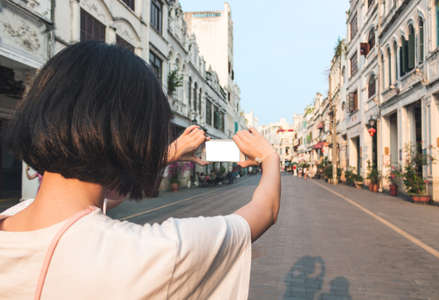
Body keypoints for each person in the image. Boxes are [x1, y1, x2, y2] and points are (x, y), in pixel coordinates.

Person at [0, 41, 281, 300]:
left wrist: (170, 153)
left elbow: (104, 197)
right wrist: (269, 156)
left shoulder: (13, 220)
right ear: (136, 132)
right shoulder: (155, 253)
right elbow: (265, 210)